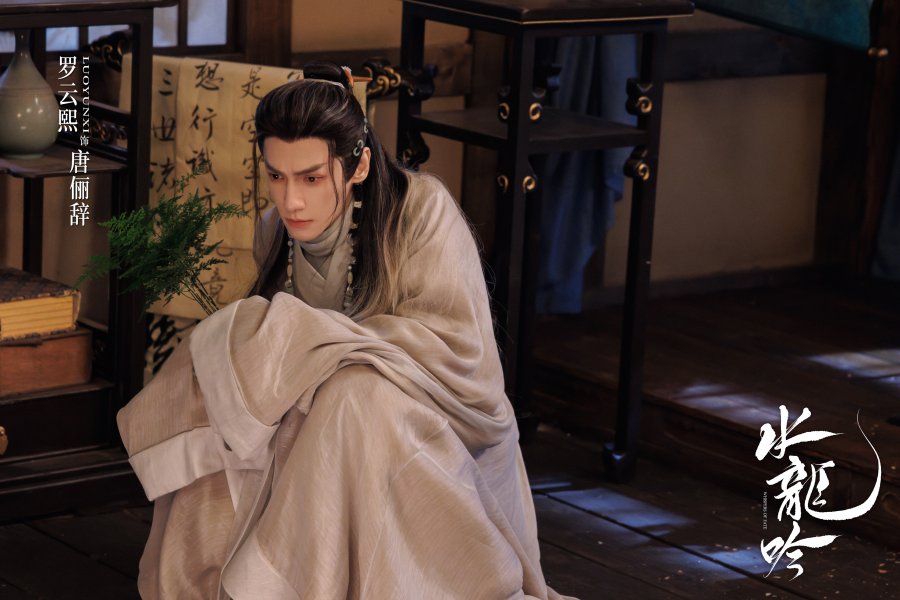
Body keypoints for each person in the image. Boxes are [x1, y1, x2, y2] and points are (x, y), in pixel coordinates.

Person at [117, 61, 577, 600]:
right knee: (237, 397)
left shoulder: (421, 211)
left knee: (354, 396)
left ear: (358, 165)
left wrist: (318, 347)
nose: (291, 200)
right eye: (276, 176)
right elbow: (276, 363)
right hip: (321, 424)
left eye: (311, 178)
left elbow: (459, 360)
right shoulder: (275, 232)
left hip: (441, 432)